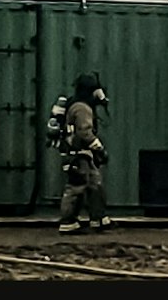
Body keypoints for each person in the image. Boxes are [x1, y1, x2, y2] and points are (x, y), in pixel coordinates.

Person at [56, 72, 112, 235]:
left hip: (83, 154)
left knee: (95, 184)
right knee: (76, 187)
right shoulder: (82, 108)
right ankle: (68, 222)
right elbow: (84, 132)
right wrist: (99, 149)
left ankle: (99, 219)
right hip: (78, 154)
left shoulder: (79, 105)